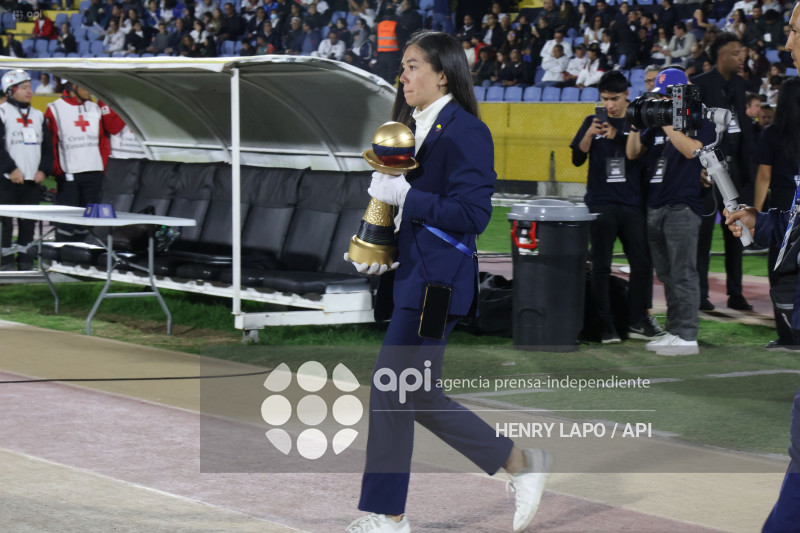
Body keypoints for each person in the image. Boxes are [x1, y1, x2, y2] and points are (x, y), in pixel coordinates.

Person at [343, 30, 552, 533]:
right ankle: (519, 462)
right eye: (403, 66)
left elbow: (473, 215)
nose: (403, 75)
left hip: (438, 285)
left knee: (394, 387)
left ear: (444, 74)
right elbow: (403, 211)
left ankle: (389, 515)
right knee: (412, 392)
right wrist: (381, 248)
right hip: (414, 278)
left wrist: (405, 196)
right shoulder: (410, 127)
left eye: (413, 65)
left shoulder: (466, 130)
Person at [626, 67, 714, 355]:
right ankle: (675, 330)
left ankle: (687, 335)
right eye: (660, 96)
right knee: (667, 274)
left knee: (683, 272)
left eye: (667, 96)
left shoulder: (698, 117)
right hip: (656, 203)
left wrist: (666, 122)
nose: (662, 101)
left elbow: (692, 150)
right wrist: (636, 124)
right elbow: (633, 152)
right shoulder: (657, 123)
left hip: (682, 205)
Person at [570, 70, 661, 343]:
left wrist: (619, 136)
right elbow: (577, 159)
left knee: (642, 264)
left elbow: (644, 158)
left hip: (631, 203)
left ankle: (636, 320)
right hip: (600, 203)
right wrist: (589, 135)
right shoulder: (592, 121)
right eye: (605, 99)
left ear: (626, 95)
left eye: (615, 99)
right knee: (600, 266)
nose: (609, 104)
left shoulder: (638, 120)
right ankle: (605, 325)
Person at [692, 32, 755, 312]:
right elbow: (691, 128)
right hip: (709, 169)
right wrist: (698, 166)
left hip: (735, 169)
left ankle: (736, 294)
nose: (741, 57)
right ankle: (700, 294)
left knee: (737, 231)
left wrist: (748, 172)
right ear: (720, 56)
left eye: (742, 52)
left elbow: (743, 128)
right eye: (735, 52)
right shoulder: (700, 84)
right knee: (705, 234)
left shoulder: (740, 85)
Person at [0, 70, 53, 271]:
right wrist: (11, 169)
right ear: (10, 90)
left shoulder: (38, 115)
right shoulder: (2, 112)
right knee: (4, 223)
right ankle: (4, 262)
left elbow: (47, 148)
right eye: (24, 88)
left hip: (32, 180)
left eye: (30, 87)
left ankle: (25, 260)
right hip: (7, 179)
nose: (29, 91)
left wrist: (43, 171)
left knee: (28, 223)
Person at [44, 79, 110, 241]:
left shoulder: (95, 108)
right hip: (69, 175)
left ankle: (84, 254)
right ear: (73, 86)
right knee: (67, 222)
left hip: (94, 173)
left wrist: (102, 167)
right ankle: (62, 253)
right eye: (85, 85)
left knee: (89, 224)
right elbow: (51, 142)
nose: (90, 90)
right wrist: (57, 170)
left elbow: (103, 141)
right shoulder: (54, 108)